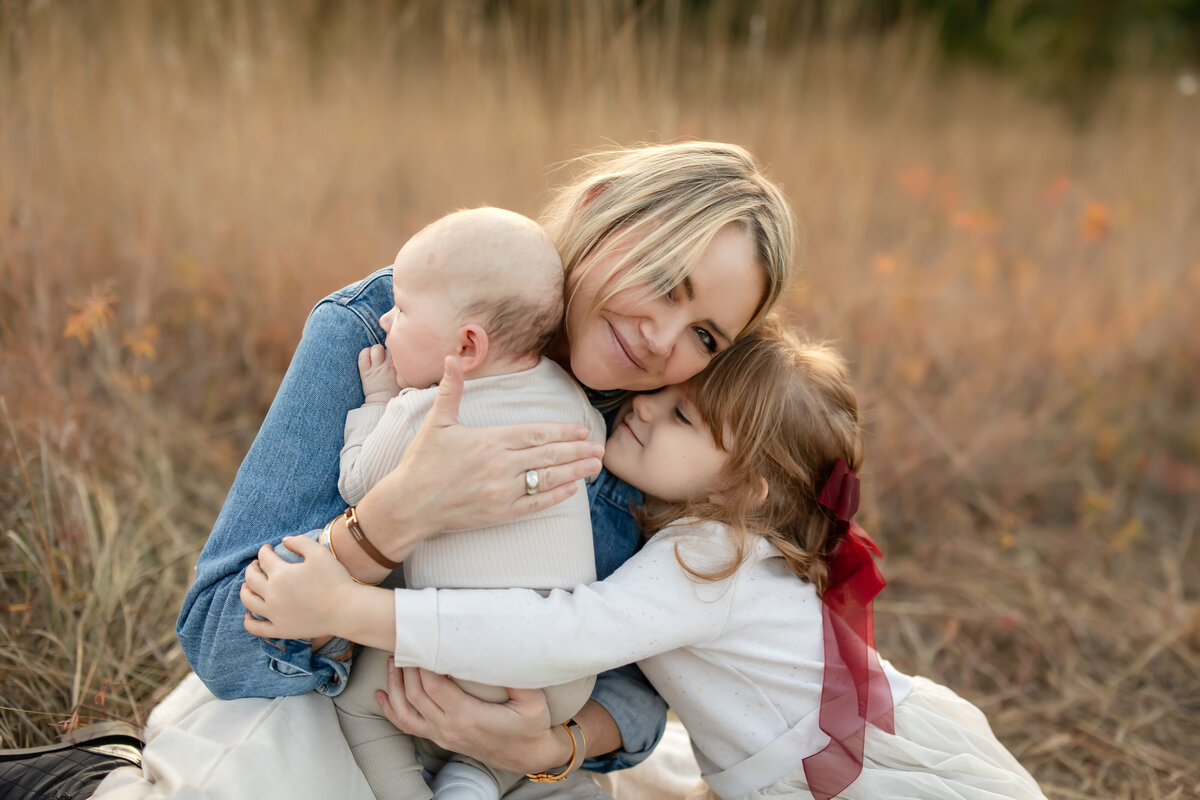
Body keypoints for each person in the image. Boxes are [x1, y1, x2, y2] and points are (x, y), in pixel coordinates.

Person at [0, 140, 796, 798]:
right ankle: (84, 779)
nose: (664, 340)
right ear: (598, 210)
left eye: (704, 335)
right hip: (332, 705)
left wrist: (553, 741)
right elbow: (220, 638)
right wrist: (393, 518)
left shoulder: (655, 423)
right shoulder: (389, 327)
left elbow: (644, 674)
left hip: (499, 755)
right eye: (663, 283)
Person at [243, 321, 1047, 800]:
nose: (643, 412)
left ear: (745, 484)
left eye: (681, 418)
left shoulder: (711, 556)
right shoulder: (704, 542)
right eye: (658, 398)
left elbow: (565, 631)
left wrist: (355, 612)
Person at [304, 206, 605, 800]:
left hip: (459, 650)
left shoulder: (424, 411)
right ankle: (478, 777)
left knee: (361, 703)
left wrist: (380, 401)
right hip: (566, 674)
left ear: (467, 346)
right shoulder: (571, 399)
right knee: (523, 722)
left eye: (405, 308)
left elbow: (358, 484)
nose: (386, 319)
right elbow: (592, 444)